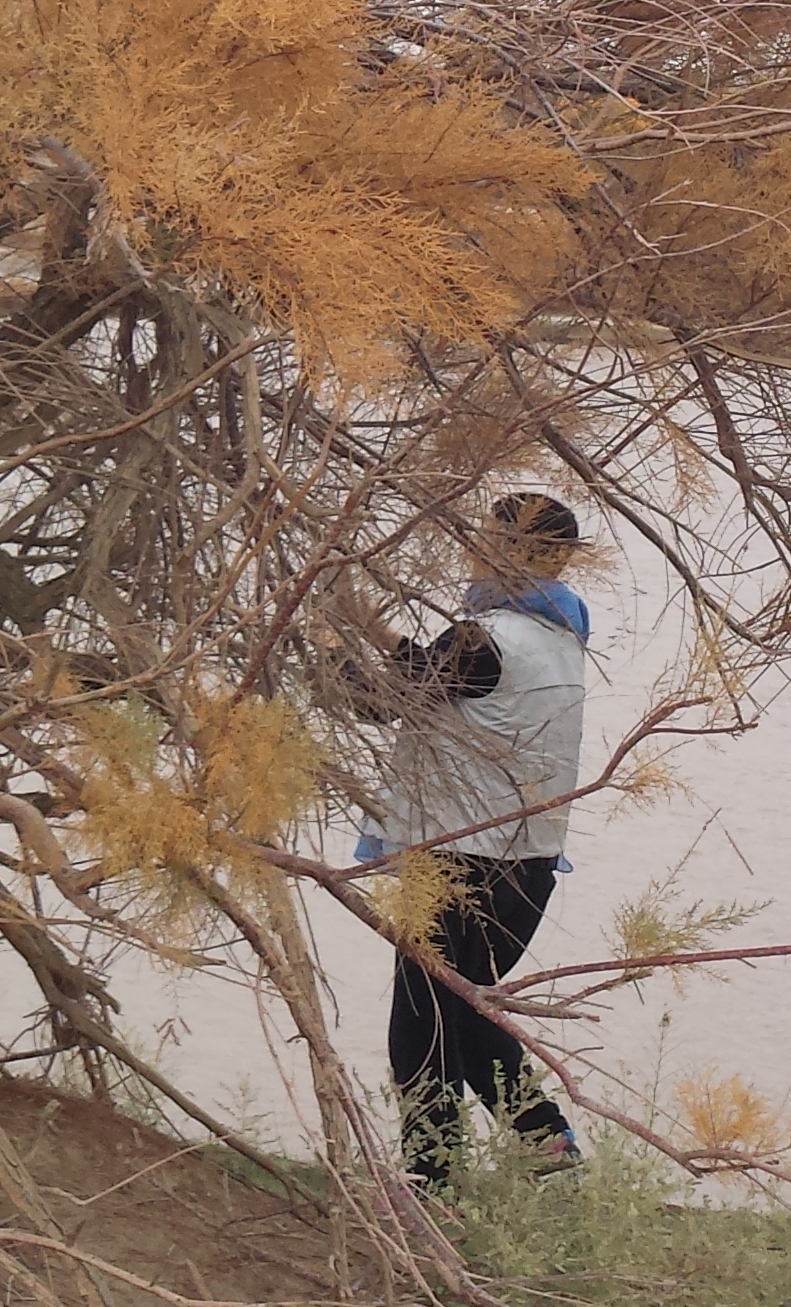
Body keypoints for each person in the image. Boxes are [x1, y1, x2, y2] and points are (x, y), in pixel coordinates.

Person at [358, 490, 593, 1187]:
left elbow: (393, 696)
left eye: (492, 539)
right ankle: (548, 1150)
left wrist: (331, 647)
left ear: (524, 553)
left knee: (422, 1020)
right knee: (466, 1010)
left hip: (460, 862)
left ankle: (431, 1176)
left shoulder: (487, 636)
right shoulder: (563, 639)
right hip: (530, 868)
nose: (477, 550)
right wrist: (381, 640)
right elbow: (445, 677)